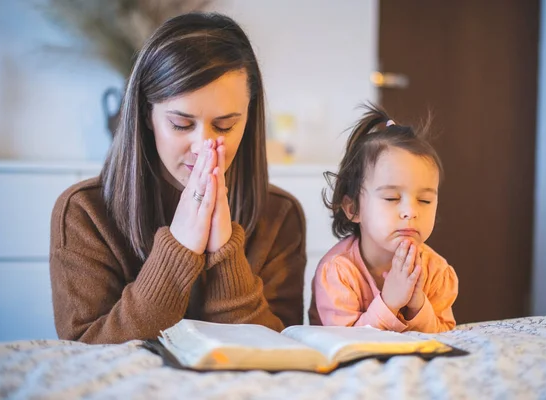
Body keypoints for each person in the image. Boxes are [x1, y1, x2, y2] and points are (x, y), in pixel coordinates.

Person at [50, 12, 307, 344]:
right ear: (146, 114)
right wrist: (180, 249)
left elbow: (281, 350)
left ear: (249, 118)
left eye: (226, 126)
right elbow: (84, 353)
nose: (203, 147)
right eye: (181, 124)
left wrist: (226, 255)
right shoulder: (84, 212)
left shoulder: (280, 216)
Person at [309, 104, 458, 333]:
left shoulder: (436, 271)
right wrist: (390, 302)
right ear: (353, 208)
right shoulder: (338, 272)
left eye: (425, 200)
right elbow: (342, 343)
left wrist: (417, 305)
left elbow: (447, 337)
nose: (410, 211)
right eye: (391, 198)